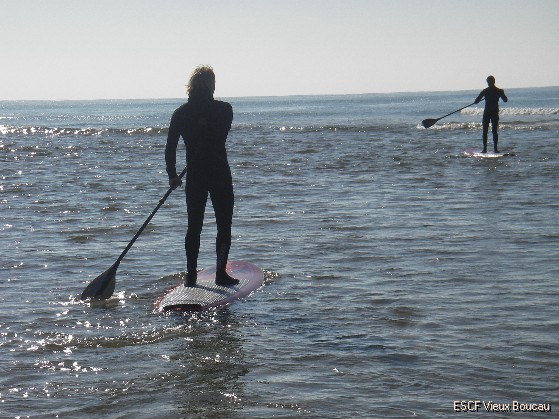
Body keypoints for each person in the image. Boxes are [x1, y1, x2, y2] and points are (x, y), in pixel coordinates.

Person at [165, 65, 239, 287]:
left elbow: (170, 149)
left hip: (195, 174)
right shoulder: (225, 110)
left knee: (194, 225)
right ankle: (220, 273)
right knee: (223, 225)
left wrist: (172, 175)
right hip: (219, 173)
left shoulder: (180, 114)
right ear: (211, 85)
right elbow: (219, 134)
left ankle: (191, 276)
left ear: (191, 86)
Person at [474, 75, 508, 153]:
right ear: (494, 82)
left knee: (485, 131)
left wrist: (500, 93)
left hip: (488, 112)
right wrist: (501, 94)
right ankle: (495, 149)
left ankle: (485, 149)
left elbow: (476, 101)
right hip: (494, 112)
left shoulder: (485, 91)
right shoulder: (499, 91)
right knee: (494, 131)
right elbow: (505, 100)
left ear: (489, 82)